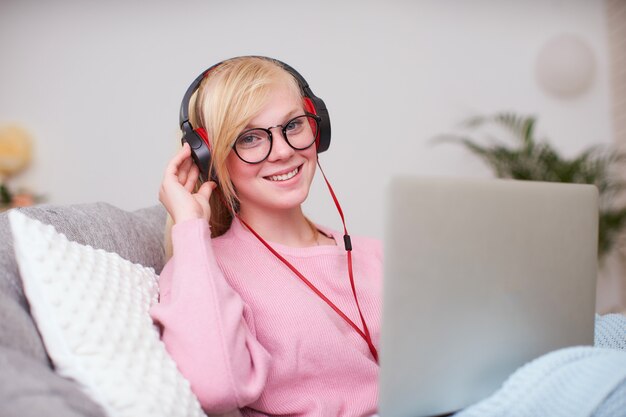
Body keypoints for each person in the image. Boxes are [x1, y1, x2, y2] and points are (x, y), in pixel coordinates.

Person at [150, 56, 382, 416]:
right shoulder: (204, 270)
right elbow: (215, 389)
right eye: (251, 138)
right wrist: (189, 225)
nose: (285, 151)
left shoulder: (379, 256)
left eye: (293, 125)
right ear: (209, 157)